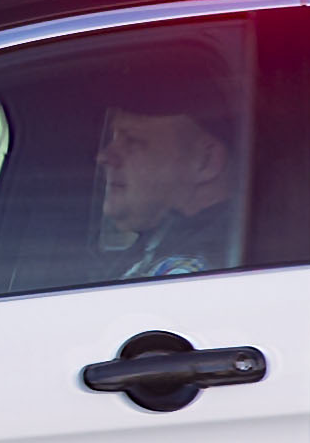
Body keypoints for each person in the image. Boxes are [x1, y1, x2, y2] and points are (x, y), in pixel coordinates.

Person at [94, 49, 241, 279]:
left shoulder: (210, 267)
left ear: (206, 161)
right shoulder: (164, 242)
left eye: (132, 141)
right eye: (114, 139)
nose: (104, 157)